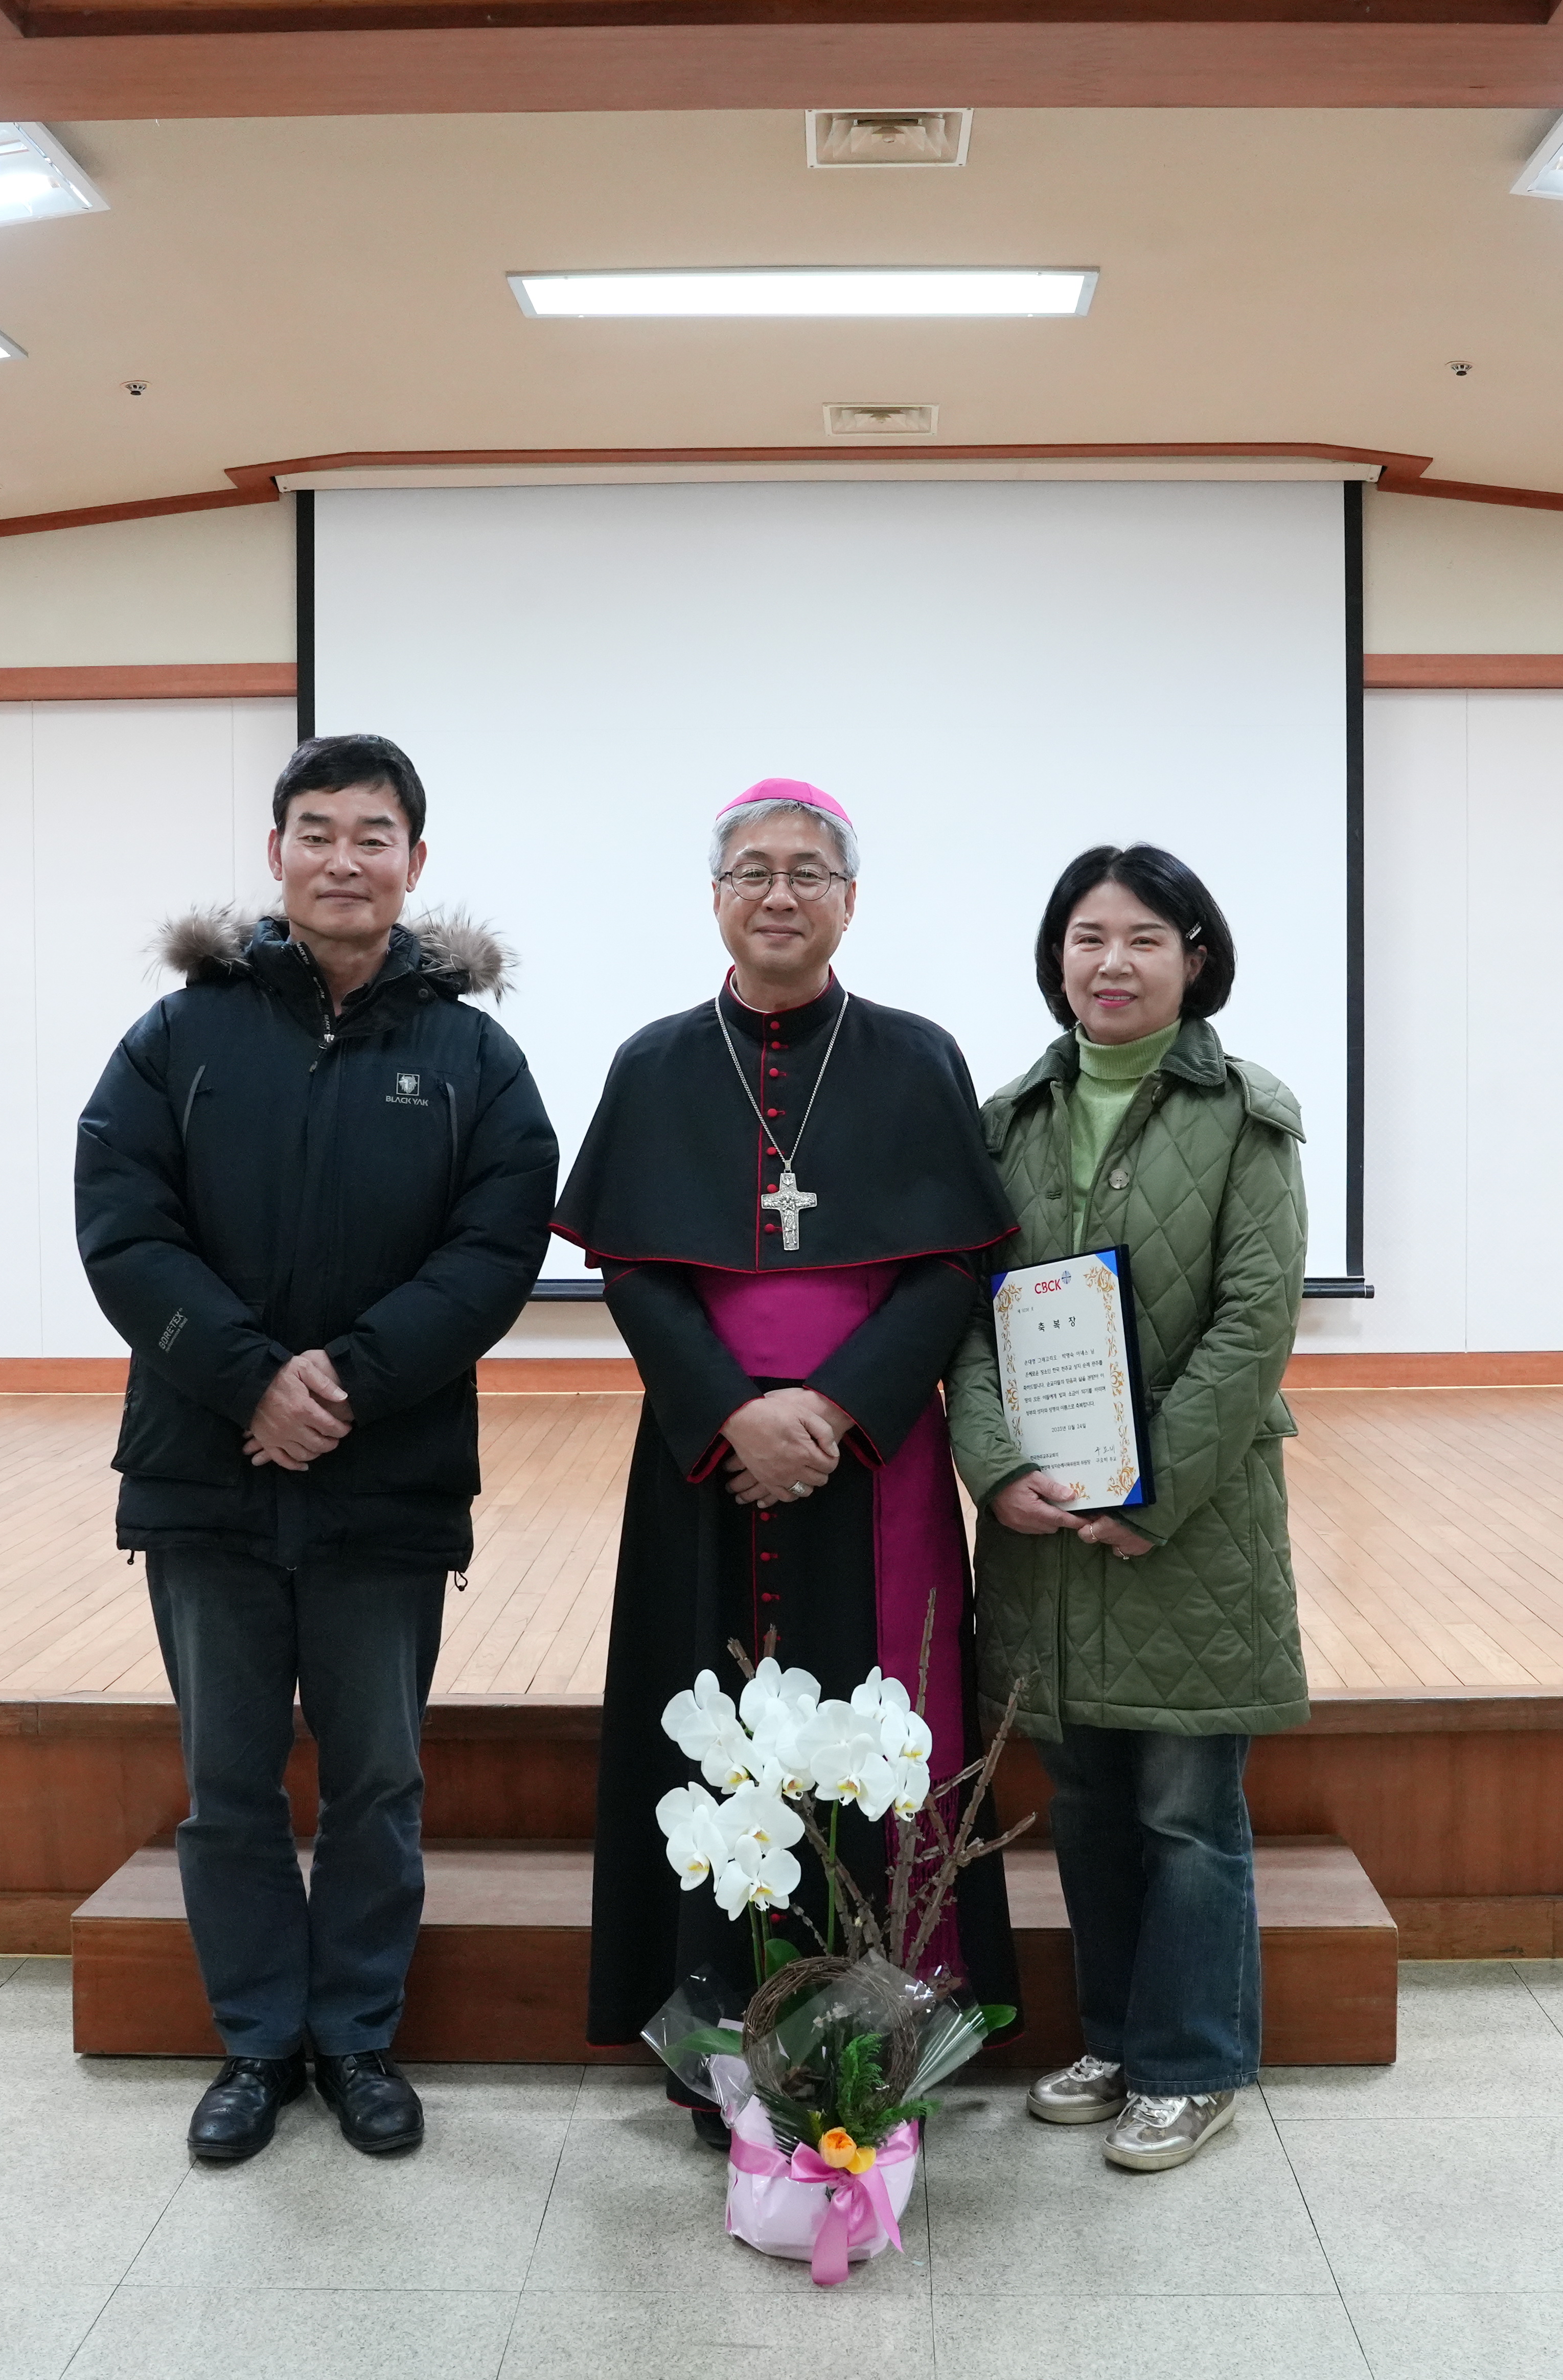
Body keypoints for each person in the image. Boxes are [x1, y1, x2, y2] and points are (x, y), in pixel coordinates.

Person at [75, 733, 557, 2166]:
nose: (344, 858)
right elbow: (121, 1224)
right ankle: (254, 2045)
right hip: (201, 1470)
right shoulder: (179, 1036)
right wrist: (245, 1383)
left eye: (374, 835)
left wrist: (338, 1382)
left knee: (377, 1781)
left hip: (384, 1475)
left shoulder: (474, 1055)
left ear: (416, 862)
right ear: (274, 852)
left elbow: (494, 1253)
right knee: (227, 1784)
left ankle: (354, 2038)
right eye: (316, 830)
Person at [558, 779, 1022, 2140]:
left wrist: (832, 1408)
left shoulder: (915, 1056)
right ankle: (715, 2039)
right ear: (715, 897)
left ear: (848, 901)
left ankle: (893, 2035)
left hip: (868, 1456)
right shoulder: (653, 1064)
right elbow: (637, 1274)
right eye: (752, 870)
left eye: (808, 871)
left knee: (886, 1723)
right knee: (701, 1730)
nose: (779, 893)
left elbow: (948, 1267)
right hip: (708, 1462)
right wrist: (733, 1416)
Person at [947, 842, 1307, 2175]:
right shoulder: (1007, 1122)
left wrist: (1146, 1492)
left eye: (1143, 938)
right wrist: (995, 1465)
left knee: (1182, 1808)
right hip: (1047, 1529)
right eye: (1086, 937)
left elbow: (1253, 1323)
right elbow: (966, 1320)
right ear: (1055, 958)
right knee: (1088, 1802)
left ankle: (1192, 2061)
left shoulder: (1245, 1117)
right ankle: (1110, 2036)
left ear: (1194, 955)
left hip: (1186, 1528)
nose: (1110, 961)